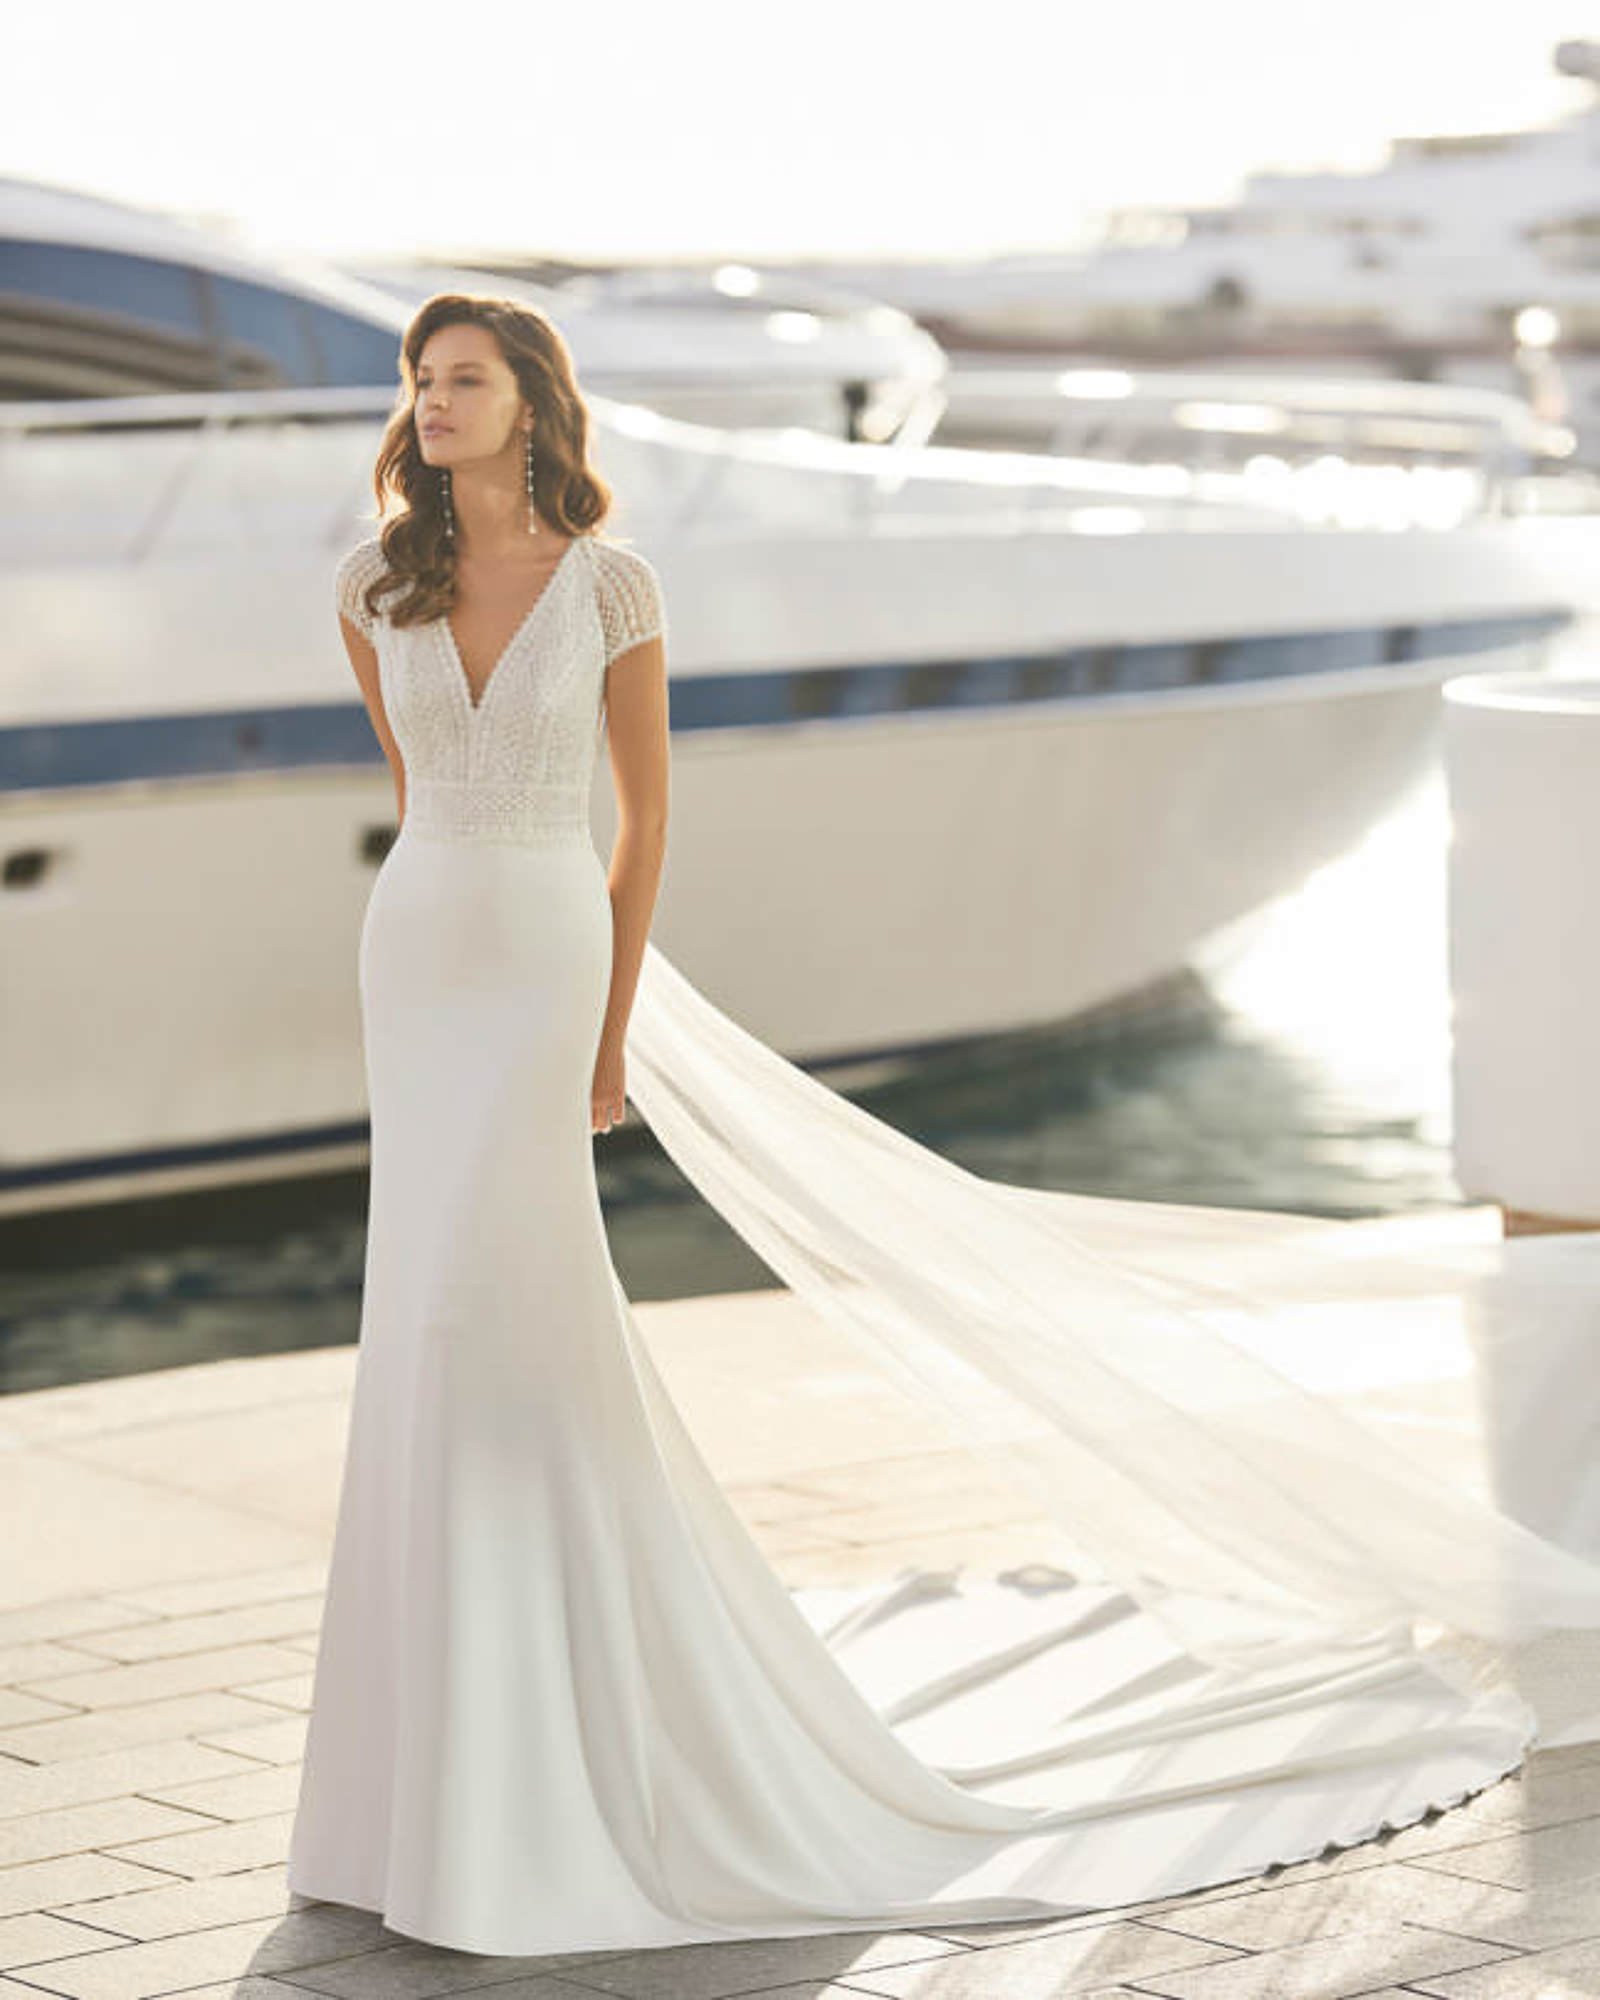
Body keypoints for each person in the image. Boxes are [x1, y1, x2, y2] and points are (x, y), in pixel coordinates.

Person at [287, 292, 1600, 1960]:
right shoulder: (369, 582)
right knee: (424, 1323)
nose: (434, 401)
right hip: (419, 956)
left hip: (546, 957)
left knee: (503, 1311)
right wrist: (435, 930)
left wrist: (610, 1031)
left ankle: (548, 1752)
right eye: (423, 380)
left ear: (535, 406)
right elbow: (417, 792)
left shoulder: (612, 584)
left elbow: (645, 825)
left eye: (464, 379)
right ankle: (413, 1785)